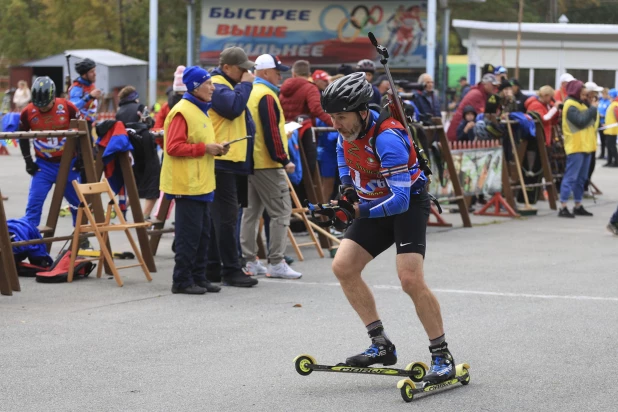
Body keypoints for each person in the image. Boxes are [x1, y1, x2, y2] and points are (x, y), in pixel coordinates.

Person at [320, 72, 457, 383]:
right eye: (332, 117)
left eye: (341, 117)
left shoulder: (387, 138)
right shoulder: (349, 132)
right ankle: (380, 344)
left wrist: (358, 211)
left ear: (361, 110)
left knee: (410, 279)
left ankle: (441, 354)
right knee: (343, 267)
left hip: (406, 205)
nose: (336, 124)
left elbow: (399, 201)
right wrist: (347, 190)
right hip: (373, 204)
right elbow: (344, 154)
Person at [160, 66, 229, 294]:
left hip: (201, 183)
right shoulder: (183, 111)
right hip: (186, 184)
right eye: (208, 84)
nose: (213, 88)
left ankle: (198, 277)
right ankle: (181, 280)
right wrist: (205, 148)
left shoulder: (200, 109)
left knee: (203, 234)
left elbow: (197, 143)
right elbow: (172, 147)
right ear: (195, 87)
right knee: (189, 236)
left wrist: (216, 149)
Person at [241, 54, 301, 279]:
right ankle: (276, 261)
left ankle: (249, 260)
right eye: (277, 71)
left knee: (250, 213)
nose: (280, 75)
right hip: (267, 162)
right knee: (281, 212)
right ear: (265, 72)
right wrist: (283, 159)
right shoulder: (266, 95)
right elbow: (271, 131)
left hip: (249, 161)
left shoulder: (249, 92)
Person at [205, 46, 258, 288]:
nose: (246, 72)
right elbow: (232, 108)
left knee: (223, 218)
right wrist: (246, 84)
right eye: (242, 69)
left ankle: (216, 267)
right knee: (226, 219)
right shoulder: (217, 84)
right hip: (222, 161)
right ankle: (230, 269)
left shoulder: (225, 84)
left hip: (231, 161)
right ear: (227, 67)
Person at [18, 77, 81, 228]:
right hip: (43, 165)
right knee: (34, 203)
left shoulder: (67, 107)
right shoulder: (27, 112)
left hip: (67, 164)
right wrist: (28, 161)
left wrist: (82, 157)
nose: (42, 109)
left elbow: (83, 132)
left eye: (45, 105)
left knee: (77, 205)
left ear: (53, 97)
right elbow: (22, 137)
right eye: (39, 106)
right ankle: (29, 240)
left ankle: (81, 238)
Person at [115, 86, 160, 219]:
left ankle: (122, 208)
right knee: (153, 182)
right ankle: (144, 215)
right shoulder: (140, 108)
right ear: (134, 97)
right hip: (145, 147)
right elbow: (149, 122)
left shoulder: (119, 112)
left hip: (130, 150)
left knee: (136, 182)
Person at [558, 80, 598, 218]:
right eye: (583, 94)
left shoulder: (582, 104)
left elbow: (591, 121)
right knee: (571, 177)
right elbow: (580, 122)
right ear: (576, 92)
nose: (585, 96)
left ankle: (578, 204)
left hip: (585, 145)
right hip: (576, 146)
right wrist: (592, 108)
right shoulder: (570, 106)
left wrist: (590, 106)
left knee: (582, 178)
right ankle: (563, 206)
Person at [447, 73, 500, 141]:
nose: (495, 88)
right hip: (459, 135)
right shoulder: (477, 94)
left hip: (463, 132)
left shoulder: (482, 93)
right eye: (493, 85)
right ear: (485, 84)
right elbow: (483, 115)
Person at [68, 58, 101, 124]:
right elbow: (73, 106)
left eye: (94, 71)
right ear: (84, 74)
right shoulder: (77, 87)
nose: (95, 74)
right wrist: (89, 96)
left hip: (91, 121)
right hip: (82, 124)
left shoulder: (89, 84)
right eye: (92, 71)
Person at [602, 88, 618, 167]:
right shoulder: (612, 104)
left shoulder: (615, 105)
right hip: (609, 128)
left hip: (612, 129)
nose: (608, 96)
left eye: (609, 94)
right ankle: (610, 160)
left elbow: (616, 116)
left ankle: (616, 161)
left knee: (612, 146)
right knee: (608, 145)